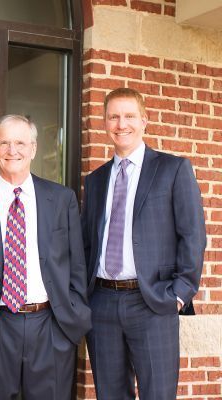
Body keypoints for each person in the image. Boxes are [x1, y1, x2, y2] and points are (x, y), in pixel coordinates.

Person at [0, 114, 91, 400]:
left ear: (34, 148)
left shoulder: (62, 200)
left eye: (21, 143)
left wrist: (71, 315)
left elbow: (77, 265)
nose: (13, 150)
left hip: (51, 327)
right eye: (5, 143)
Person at [81, 88, 206, 400]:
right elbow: (86, 243)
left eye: (129, 116)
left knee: (158, 395)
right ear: (104, 122)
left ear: (144, 120)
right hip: (102, 304)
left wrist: (178, 294)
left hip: (152, 302)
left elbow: (193, 235)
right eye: (113, 116)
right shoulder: (95, 180)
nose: (121, 124)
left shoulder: (173, 169)